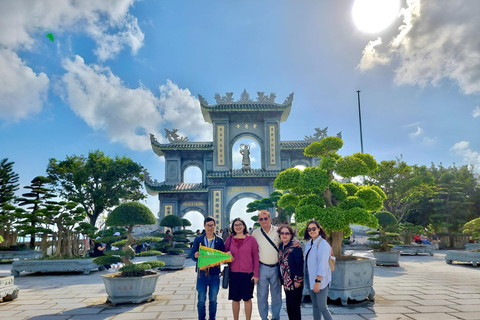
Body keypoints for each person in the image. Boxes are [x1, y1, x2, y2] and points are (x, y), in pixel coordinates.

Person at [191, 216, 225, 320]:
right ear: (204, 226)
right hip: (201, 274)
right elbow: (192, 254)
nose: (210, 228)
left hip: (215, 275)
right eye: (207, 225)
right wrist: (195, 255)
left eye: (212, 225)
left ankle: (212, 318)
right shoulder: (198, 239)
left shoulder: (219, 241)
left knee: (213, 300)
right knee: (201, 300)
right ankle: (201, 318)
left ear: (215, 226)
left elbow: (222, 256)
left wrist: (224, 257)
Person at [225, 218, 259, 320]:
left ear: (244, 226)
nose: (238, 227)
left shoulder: (251, 239)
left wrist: (256, 274)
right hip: (234, 273)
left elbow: (256, 257)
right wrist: (227, 255)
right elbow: (224, 253)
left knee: (247, 299)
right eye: (235, 225)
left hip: (247, 274)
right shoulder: (229, 239)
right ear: (233, 227)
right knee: (235, 299)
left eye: (240, 224)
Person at [251, 209, 283, 320]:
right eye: (261, 219)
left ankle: (275, 317)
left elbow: (287, 242)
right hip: (262, 267)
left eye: (266, 218)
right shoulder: (255, 233)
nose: (263, 220)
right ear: (258, 220)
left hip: (276, 268)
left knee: (276, 296)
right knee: (261, 296)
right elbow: (250, 249)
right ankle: (264, 318)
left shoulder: (278, 231)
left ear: (270, 218)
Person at [304, 220, 333, 320]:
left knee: (322, 307)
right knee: (315, 306)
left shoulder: (323, 244)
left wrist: (318, 281)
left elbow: (323, 264)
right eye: (309, 229)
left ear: (319, 229)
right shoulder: (309, 243)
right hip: (310, 278)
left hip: (320, 280)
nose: (311, 231)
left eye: (314, 229)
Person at [277, 224, 303, 320]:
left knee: (295, 308)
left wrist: (298, 280)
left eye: (287, 233)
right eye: (282, 233)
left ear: (291, 235)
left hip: (294, 282)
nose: (284, 235)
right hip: (286, 283)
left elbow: (299, 264)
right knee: (289, 307)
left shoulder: (295, 247)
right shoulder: (280, 247)